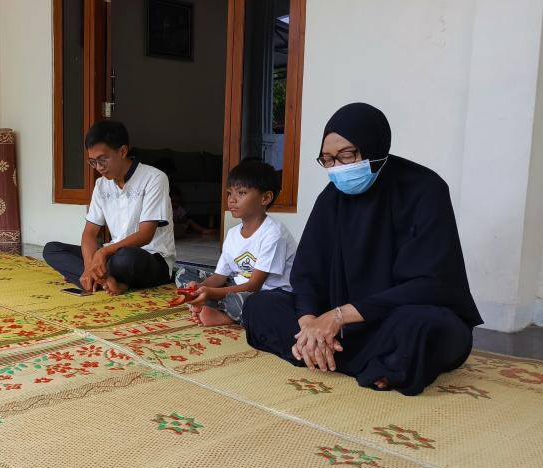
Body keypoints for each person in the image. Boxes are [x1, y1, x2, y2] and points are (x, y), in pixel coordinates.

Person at [241, 103, 482, 396]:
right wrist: (309, 324)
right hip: (339, 325)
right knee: (260, 307)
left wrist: (339, 316)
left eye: (347, 155)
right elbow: (307, 274)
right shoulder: (331, 198)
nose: (338, 166)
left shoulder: (425, 189)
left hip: (393, 316)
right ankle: (362, 359)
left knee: (422, 328)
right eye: (328, 159)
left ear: (373, 147)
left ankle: (325, 354)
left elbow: (431, 284)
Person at [43, 121, 175, 295]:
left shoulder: (154, 178)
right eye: (93, 162)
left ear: (122, 151)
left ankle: (100, 279)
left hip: (150, 258)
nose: (99, 168)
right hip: (112, 255)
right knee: (52, 249)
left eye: (103, 160)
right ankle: (105, 280)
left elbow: (145, 235)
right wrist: (89, 266)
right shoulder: (101, 185)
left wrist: (103, 252)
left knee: (124, 258)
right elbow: (89, 233)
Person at [175, 159, 296, 326]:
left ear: (266, 198)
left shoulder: (274, 234)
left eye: (241, 193)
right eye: (229, 193)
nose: (232, 199)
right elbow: (219, 276)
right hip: (238, 285)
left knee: (249, 303)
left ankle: (225, 315)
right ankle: (212, 305)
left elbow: (254, 285)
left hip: (270, 294)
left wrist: (210, 293)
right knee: (183, 274)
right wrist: (200, 288)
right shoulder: (232, 234)